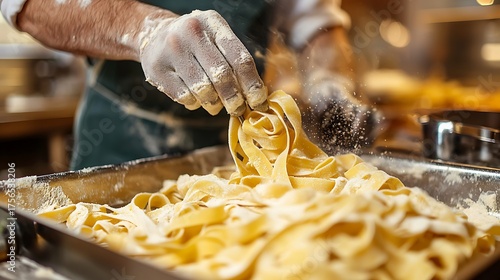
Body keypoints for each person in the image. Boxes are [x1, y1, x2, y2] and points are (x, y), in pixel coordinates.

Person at [1, 0, 380, 170]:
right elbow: (27, 5)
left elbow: (318, 28)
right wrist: (145, 31)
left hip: (245, 163)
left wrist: (330, 80)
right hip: (119, 151)